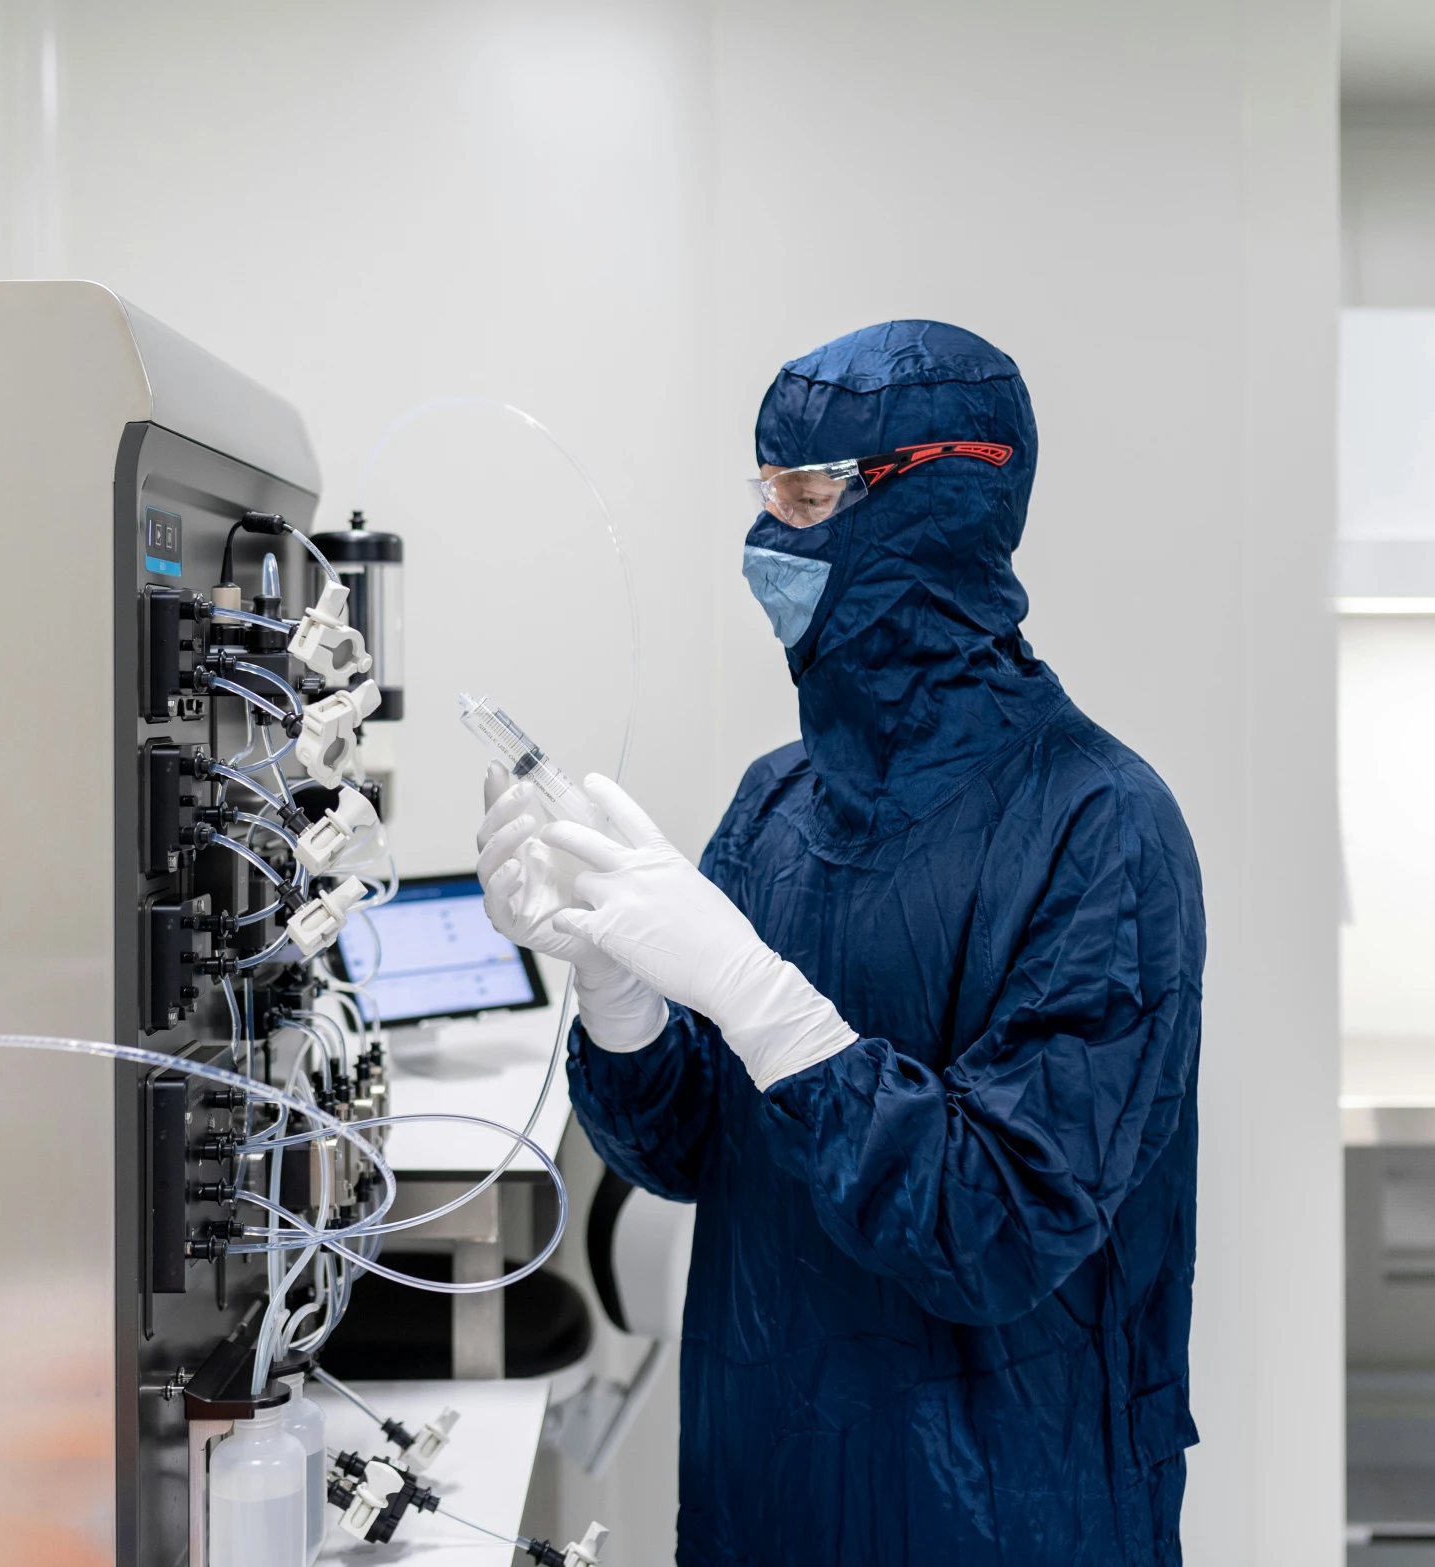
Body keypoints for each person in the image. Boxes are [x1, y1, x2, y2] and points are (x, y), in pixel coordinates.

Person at [475, 320, 1204, 1565]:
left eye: (807, 495)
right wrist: (617, 994)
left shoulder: (1101, 827)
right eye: (765, 493)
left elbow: (999, 1227)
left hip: (1006, 1501)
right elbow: (693, 1149)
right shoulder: (777, 803)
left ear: (936, 501)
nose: (769, 540)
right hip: (764, 1473)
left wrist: (767, 1004)